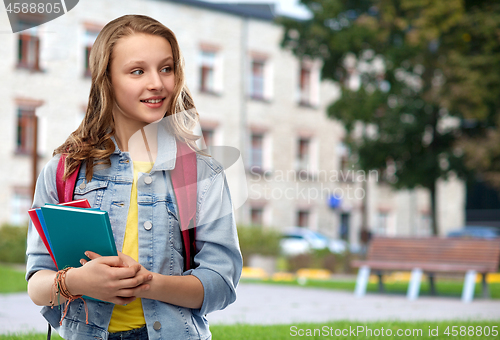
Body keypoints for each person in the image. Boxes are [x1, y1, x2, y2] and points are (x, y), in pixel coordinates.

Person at [26, 14, 243, 340]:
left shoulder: (201, 173)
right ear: (107, 79)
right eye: (137, 71)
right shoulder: (64, 170)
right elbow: (37, 284)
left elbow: (221, 284)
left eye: (166, 68)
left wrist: (148, 283)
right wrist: (77, 282)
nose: (157, 83)